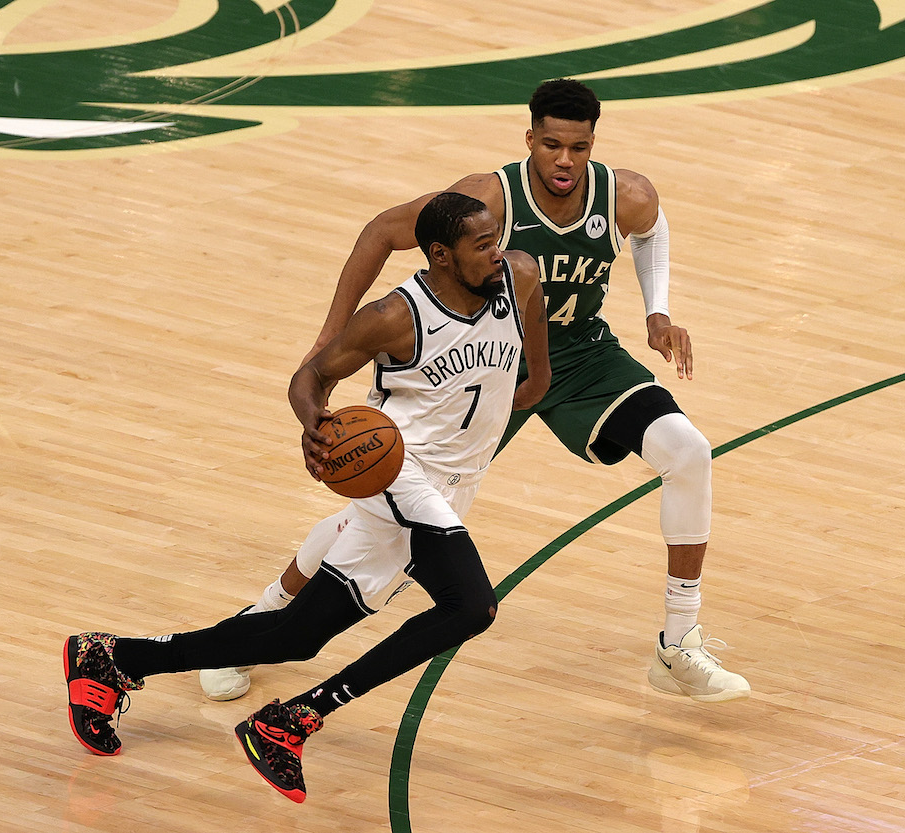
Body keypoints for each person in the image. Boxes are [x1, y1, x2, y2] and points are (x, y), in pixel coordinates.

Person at [199, 78, 749, 705]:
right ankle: (251, 625)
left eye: (578, 147)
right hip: (483, 366)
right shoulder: (487, 198)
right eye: (551, 145)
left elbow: (653, 232)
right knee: (378, 521)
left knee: (689, 451)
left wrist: (658, 312)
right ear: (529, 140)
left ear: (594, 144)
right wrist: (328, 338)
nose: (564, 161)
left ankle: (678, 645)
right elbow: (383, 229)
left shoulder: (625, 195)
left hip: (579, 358)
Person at [63, 192, 550, 803]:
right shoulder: (397, 317)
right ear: (441, 256)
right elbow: (312, 377)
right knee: (471, 606)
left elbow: (536, 378)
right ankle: (291, 722)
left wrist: (515, 396)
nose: (498, 253)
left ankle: (112, 658)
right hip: (399, 473)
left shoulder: (520, 277)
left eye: (498, 238)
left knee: (297, 635)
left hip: (458, 486)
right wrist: (315, 429)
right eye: (483, 245)